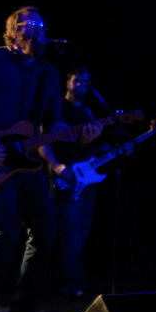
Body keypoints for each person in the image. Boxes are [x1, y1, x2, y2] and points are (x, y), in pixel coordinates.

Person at [0, 6, 99, 312]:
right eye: (28, 24)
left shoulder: (49, 73)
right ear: (12, 31)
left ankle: (22, 307)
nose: (35, 29)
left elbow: (54, 125)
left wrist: (83, 136)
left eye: (40, 25)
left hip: (29, 163)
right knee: (5, 232)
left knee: (46, 233)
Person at [51, 69, 104, 296]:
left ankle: (73, 279)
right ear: (68, 82)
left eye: (86, 81)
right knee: (70, 231)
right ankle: (72, 282)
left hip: (86, 177)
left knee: (82, 230)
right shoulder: (56, 108)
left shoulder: (88, 112)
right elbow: (44, 140)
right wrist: (56, 166)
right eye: (77, 80)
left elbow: (86, 145)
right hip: (65, 175)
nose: (82, 84)